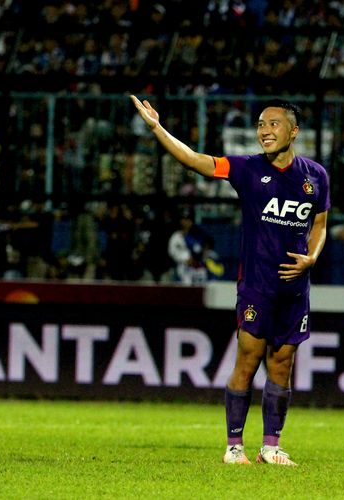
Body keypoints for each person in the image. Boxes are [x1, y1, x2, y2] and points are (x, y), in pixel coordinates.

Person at [131, 95, 330, 466]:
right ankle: (234, 446)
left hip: (295, 288)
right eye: (260, 125)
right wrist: (158, 128)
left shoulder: (315, 175)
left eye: (272, 124)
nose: (264, 131)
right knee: (248, 360)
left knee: (283, 363)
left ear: (294, 130)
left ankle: (271, 446)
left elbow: (319, 224)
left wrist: (313, 256)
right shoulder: (247, 169)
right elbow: (195, 160)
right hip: (257, 284)